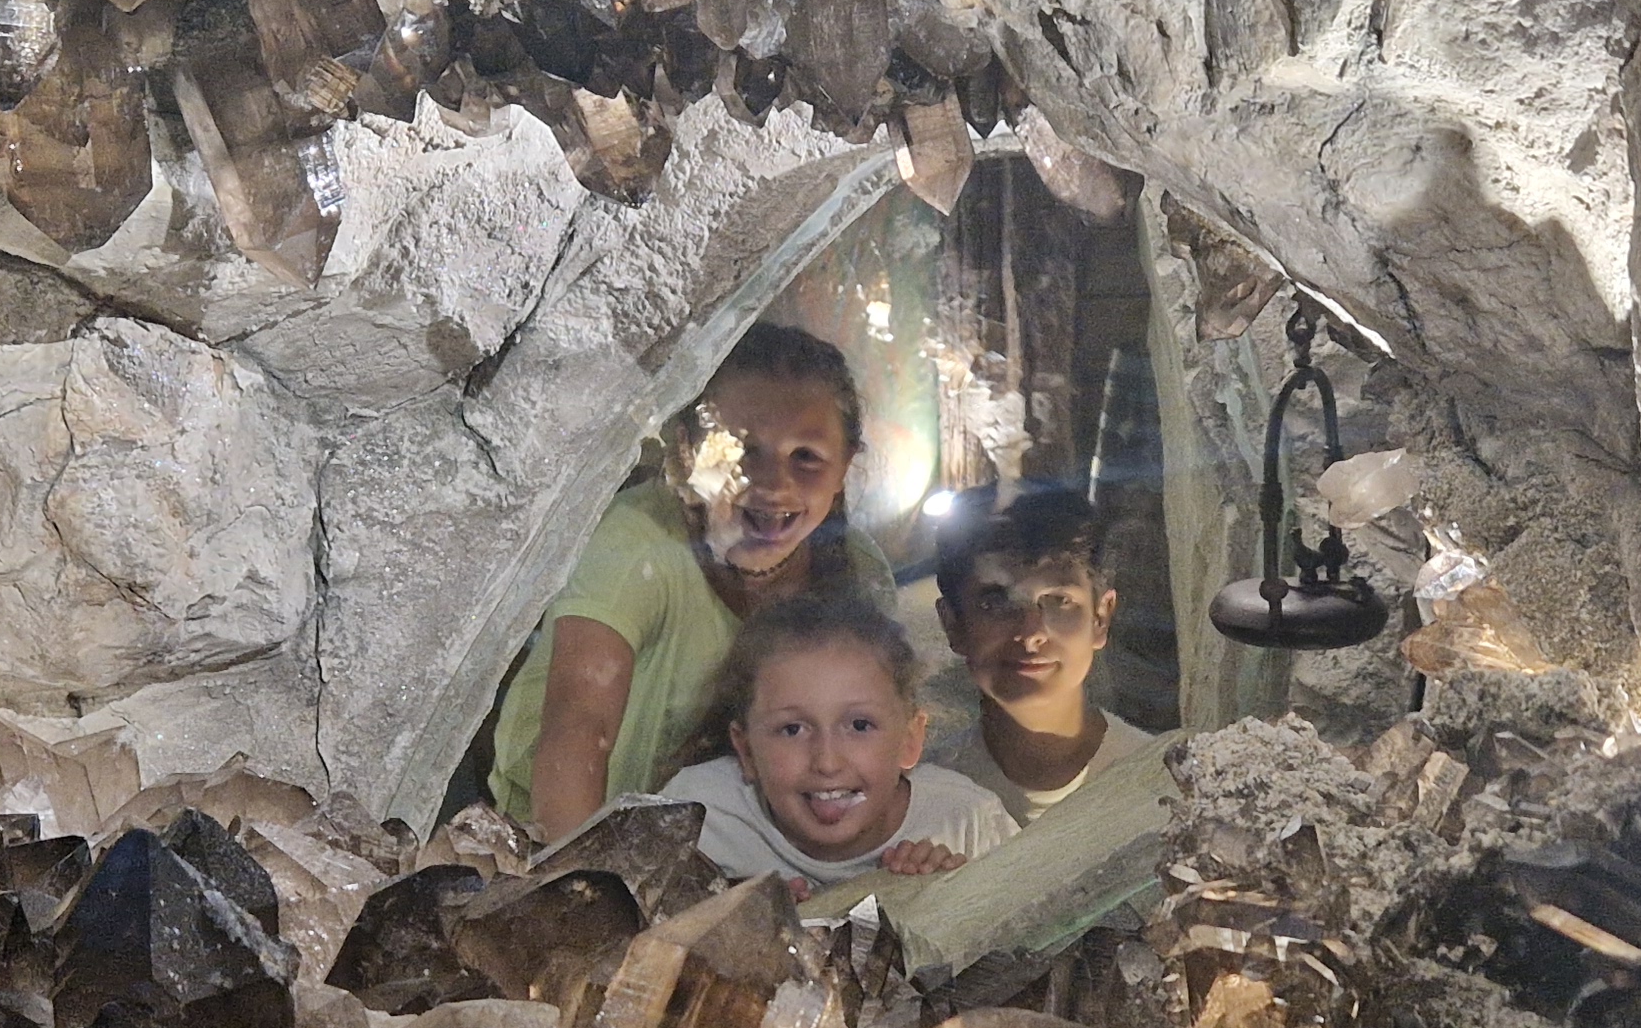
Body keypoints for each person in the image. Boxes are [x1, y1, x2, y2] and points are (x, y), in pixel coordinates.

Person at [486, 324, 895, 840]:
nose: (773, 485)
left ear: (845, 466)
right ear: (685, 450)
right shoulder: (636, 544)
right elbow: (580, 724)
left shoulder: (860, 573)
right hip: (566, 835)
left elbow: (877, 747)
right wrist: (574, 872)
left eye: (806, 457)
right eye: (741, 451)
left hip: (738, 848)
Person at [659, 594, 1015, 888]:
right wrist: (717, 909)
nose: (827, 762)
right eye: (792, 729)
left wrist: (952, 897)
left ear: (909, 740)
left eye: (859, 725)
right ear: (747, 750)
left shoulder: (967, 825)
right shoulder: (695, 816)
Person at [927, 482, 1159, 826]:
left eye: (1059, 601)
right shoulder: (923, 804)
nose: (1031, 633)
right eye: (996, 603)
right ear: (953, 624)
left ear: (1100, 618)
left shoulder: (1158, 782)